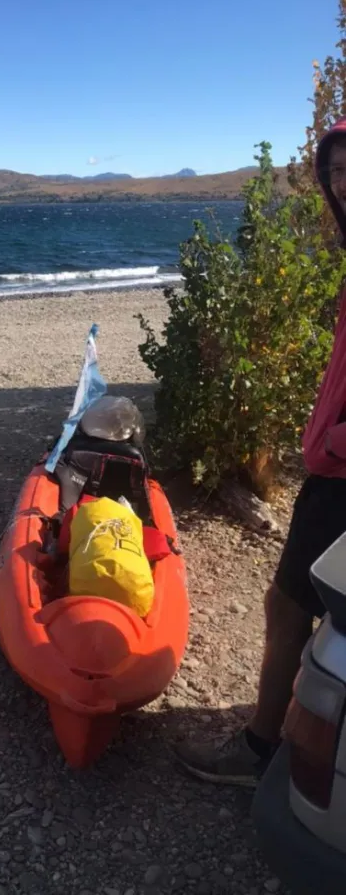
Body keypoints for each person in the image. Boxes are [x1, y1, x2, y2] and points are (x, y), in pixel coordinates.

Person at [175, 119, 346, 786]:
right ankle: (307, 733)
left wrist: (332, 442)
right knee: (312, 607)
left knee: (287, 603)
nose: (340, 184)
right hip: (333, 462)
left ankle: (258, 749)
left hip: (339, 473)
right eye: (333, 173)